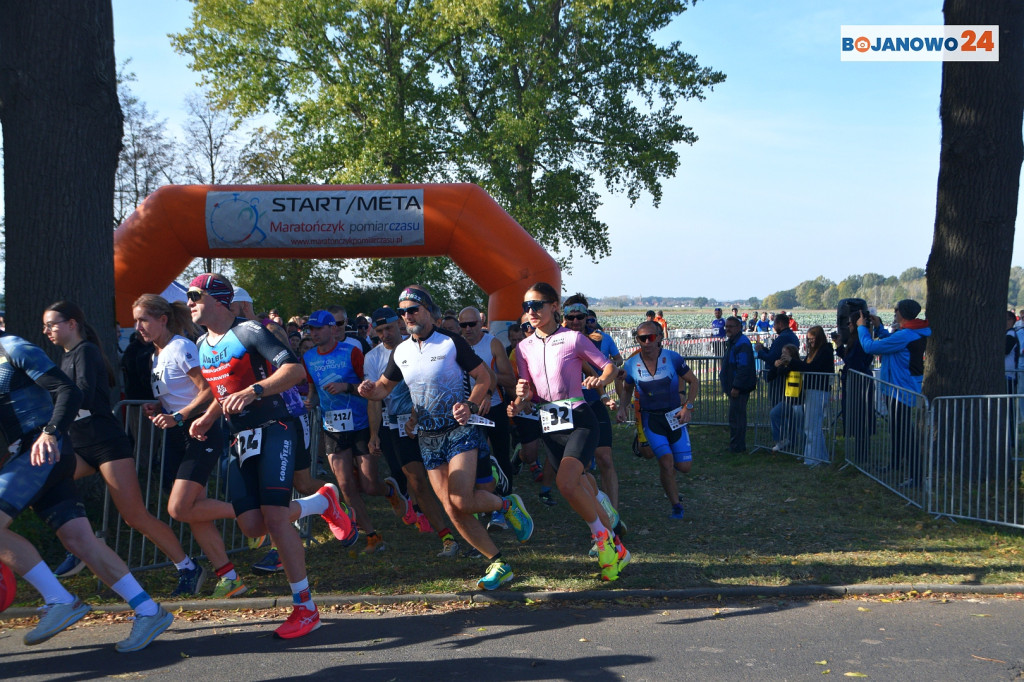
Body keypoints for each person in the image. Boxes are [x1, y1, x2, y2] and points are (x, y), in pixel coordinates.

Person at [188, 273, 357, 639]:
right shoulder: (202, 343)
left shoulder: (249, 331)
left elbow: (294, 369)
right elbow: (223, 392)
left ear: (218, 299)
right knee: (253, 525)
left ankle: (306, 608)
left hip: (275, 428)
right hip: (240, 438)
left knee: (277, 520)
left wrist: (255, 391)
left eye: (195, 295)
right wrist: (207, 417)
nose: (189, 302)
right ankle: (322, 501)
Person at [0, 333, 173, 652]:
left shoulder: (13, 347)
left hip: (43, 451)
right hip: (32, 458)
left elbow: (66, 389)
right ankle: (150, 611)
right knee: (79, 540)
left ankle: (60, 600)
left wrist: (50, 433)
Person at [358, 286, 533, 590]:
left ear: (428, 311)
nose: (407, 316)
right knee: (452, 509)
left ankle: (504, 507)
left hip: (459, 430)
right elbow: (384, 388)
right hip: (427, 438)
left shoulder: (450, 341)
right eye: (403, 312)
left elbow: (484, 377)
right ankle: (498, 563)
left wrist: (470, 404)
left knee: (462, 498)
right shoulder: (401, 352)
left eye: (413, 309)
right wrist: (369, 390)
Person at [42, 302, 201, 596]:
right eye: (45, 326)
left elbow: (83, 395)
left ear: (72, 323)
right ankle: (82, 541)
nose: (46, 330)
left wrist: (51, 415)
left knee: (135, 516)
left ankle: (188, 567)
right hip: (79, 444)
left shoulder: (86, 351)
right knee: (46, 480)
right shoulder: (65, 357)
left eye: (52, 324)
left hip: (106, 445)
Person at [508, 283, 629, 581]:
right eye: (527, 306)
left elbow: (609, 367)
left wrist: (600, 381)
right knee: (584, 486)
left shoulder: (573, 339)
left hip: (579, 418)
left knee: (566, 481)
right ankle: (617, 548)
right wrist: (519, 401)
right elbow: (529, 392)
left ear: (554, 306)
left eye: (537, 305)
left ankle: (600, 540)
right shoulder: (523, 348)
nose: (532, 311)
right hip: (549, 420)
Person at [132, 294, 246, 598]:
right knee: (194, 510)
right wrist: (158, 406)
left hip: (201, 429)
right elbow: (178, 393)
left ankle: (248, 512)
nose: (137, 327)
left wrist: (179, 416)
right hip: (178, 434)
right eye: (135, 321)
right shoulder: (154, 356)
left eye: (143, 320)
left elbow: (209, 389)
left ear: (163, 319)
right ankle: (230, 577)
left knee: (180, 508)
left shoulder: (181, 347)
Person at [364, 307, 460, 557]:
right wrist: (374, 434)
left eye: (389, 328)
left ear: (400, 325)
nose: (385, 334)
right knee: (417, 482)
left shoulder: (415, 348)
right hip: (397, 425)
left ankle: (465, 524)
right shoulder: (373, 358)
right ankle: (446, 537)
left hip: (431, 422)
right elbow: (375, 398)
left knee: (446, 480)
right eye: (380, 330)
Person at [302, 310, 387, 554]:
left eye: (319, 328)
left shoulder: (351, 352)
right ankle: (372, 535)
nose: (314, 333)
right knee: (346, 485)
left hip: (360, 423)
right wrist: (310, 402)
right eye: (311, 329)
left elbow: (368, 387)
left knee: (369, 485)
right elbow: (313, 390)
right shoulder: (308, 357)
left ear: (332, 328)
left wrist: (346, 387)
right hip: (332, 427)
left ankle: (391, 490)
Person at [617, 321, 698, 519]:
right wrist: (622, 407)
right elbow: (627, 389)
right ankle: (676, 504)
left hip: (674, 416)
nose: (646, 342)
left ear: (660, 337)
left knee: (684, 467)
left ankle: (670, 475)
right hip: (651, 419)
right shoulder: (632, 364)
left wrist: (688, 406)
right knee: (666, 462)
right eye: (641, 338)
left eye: (650, 337)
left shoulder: (672, 358)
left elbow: (693, 381)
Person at [857, 299, 930, 488]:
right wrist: (879, 328)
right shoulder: (915, 330)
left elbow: (870, 347)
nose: (894, 314)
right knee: (897, 429)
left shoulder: (906, 335)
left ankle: (916, 477)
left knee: (905, 432)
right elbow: (891, 342)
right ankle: (896, 464)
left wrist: (862, 328)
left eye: (895, 311)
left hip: (901, 389)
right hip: (900, 387)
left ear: (901, 313)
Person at [458, 305, 517, 530]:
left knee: (501, 457)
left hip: (494, 408)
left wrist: (488, 385)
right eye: (464, 325)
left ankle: (507, 504)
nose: (468, 329)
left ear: (481, 323)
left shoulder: (491, 343)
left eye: (472, 324)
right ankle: (483, 503)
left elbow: (509, 379)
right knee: (474, 461)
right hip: (468, 413)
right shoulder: (457, 346)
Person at [776, 325, 834, 466]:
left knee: (811, 426)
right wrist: (787, 364)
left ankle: (812, 459)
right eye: (808, 339)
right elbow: (804, 366)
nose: (810, 342)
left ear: (819, 338)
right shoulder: (813, 352)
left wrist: (792, 361)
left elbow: (812, 368)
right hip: (812, 390)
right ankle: (819, 456)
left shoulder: (825, 350)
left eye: (812, 339)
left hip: (818, 390)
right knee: (813, 426)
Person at [720, 316, 756, 452]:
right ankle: (735, 445)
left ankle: (738, 447)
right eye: (726, 326)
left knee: (737, 418)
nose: (727, 329)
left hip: (739, 388)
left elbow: (743, 367)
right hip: (734, 386)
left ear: (739, 328)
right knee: (734, 417)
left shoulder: (742, 343)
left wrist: (736, 386)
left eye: (731, 326)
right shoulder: (734, 341)